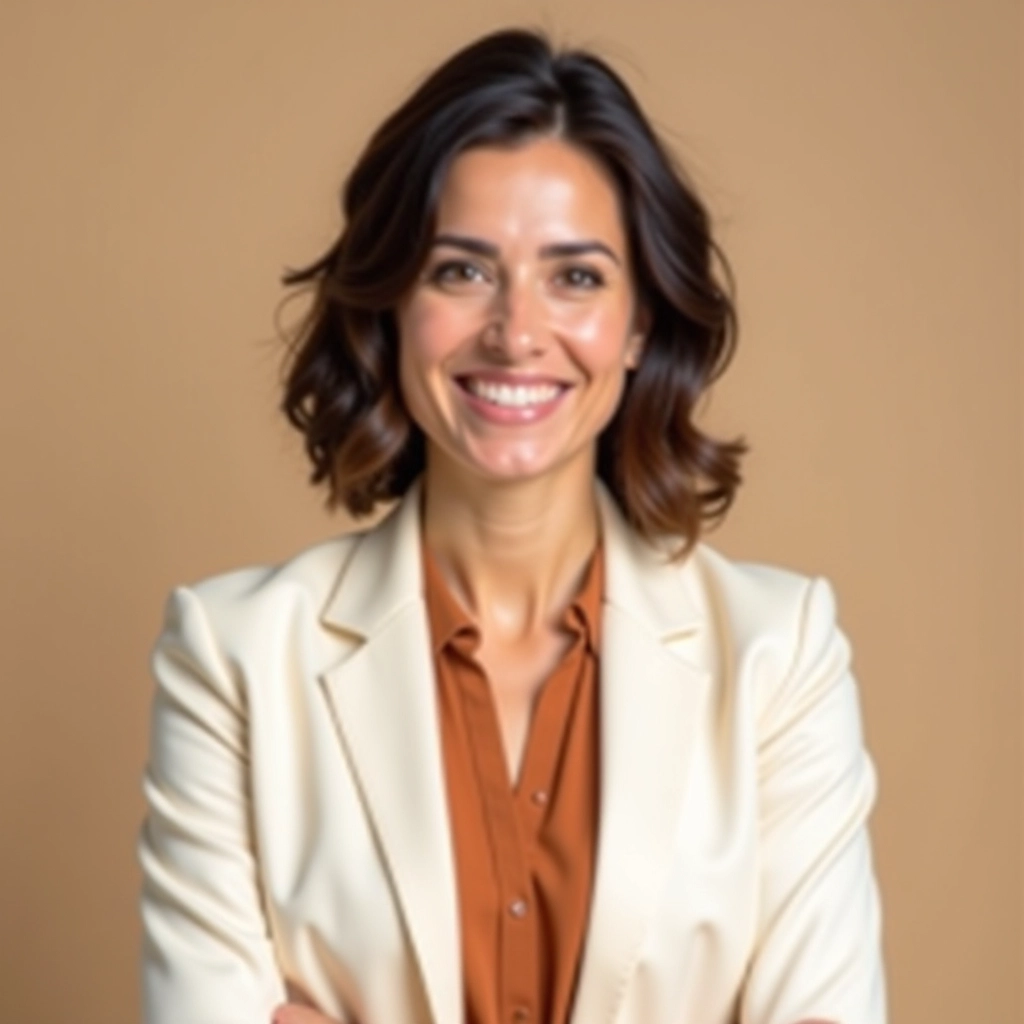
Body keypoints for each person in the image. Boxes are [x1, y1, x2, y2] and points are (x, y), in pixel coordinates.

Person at [137, 27, 886, 1024]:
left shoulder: (779, 659)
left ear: (639, 325)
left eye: (575, 276)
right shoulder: (231, 658)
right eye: (461, 271)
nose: (516, 331)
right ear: (392, 305)